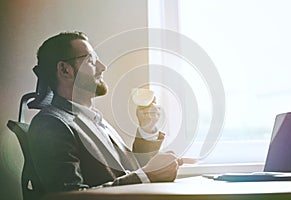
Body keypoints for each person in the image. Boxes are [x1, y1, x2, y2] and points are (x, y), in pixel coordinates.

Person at [27, 31, 182, 198]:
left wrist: (147, 129)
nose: (102, 67)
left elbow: (130, 172)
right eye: (91, 60)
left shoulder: (94, 119)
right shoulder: (51, 124)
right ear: (65, 70)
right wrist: (147, 176)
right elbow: (68, 196)